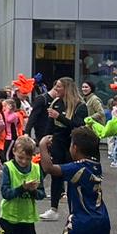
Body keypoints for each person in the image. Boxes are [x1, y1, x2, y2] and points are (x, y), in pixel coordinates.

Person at [41, 77, 86, 221]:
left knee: (74, 177)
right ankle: (53, 209)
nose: (56, 89)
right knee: (56, 175)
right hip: (58, 143)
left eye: (59, 86)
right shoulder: (56, 103)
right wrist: (46, 138)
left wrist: (59, 117)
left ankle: (76, 210)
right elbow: (50, 123)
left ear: (67, 88)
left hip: (73, 144)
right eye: (55, 86)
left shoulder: (80, 106)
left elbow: (78, 126)